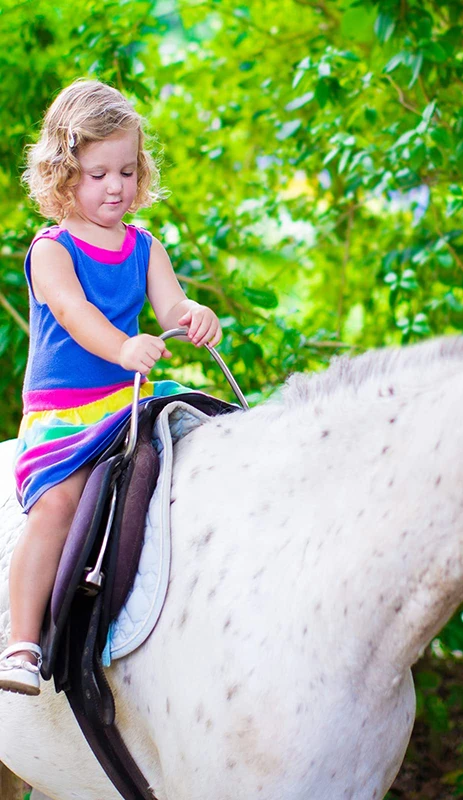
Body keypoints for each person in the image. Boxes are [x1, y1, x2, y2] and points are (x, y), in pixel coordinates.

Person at [0, 78, 222, 695]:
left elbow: (171, 304)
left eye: (127, 171)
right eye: (98, 174)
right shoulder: (52, 251)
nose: (116, 187)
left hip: (124, 403)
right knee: (58, 505)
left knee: (192, 447)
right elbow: (75, 314)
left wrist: (193, 317)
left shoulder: (144, 246)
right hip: (65, 414)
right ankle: (20, 641)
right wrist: (124, 347)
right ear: (63, 174)